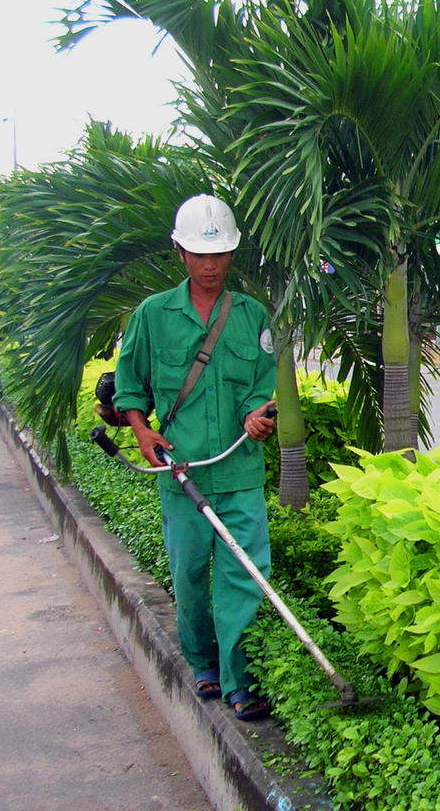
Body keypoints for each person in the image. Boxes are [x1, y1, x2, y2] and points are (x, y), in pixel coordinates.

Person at [113, 194, 278, 720]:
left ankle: (240, 681)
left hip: (239, 472)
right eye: (200, 254)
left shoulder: (252, 316)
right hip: (180, 472)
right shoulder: (153, 315)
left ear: (232, 256)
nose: (210, 265)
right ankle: (203, 662)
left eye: (220, 254)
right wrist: (141, 430)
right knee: (188, 574)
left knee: (244, 575)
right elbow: (128, 385)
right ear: (180, 252)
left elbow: (266, 387)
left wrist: (259, 416)